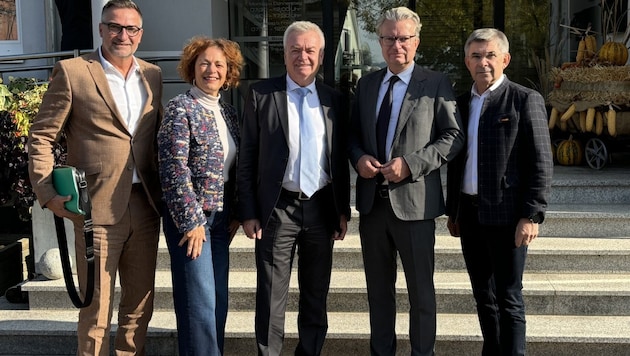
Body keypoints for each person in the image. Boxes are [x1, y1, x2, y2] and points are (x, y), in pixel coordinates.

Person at [27, 1, 163, 355]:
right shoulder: (73, 71)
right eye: (115, 27)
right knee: (96, 309)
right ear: (101, 29)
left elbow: (157, 136)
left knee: (139, 306)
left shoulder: (153, 75)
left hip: (145, 207)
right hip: (95, 210)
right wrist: (47, 192)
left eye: (131, 29)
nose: (123, 35)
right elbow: (42, 136)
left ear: (141, 35)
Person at [347, 7, 464, 356]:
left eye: (404, 38)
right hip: (372, 206)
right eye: (389, 38)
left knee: (421, 296)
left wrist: (412, 165)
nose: (396, 44)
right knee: (378, 294)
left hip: (415, 204)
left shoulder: (437, 82)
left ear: (416, 41)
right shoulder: (366, 84)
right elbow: (352, 135)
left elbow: (454, 137)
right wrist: (359, 158)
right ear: (380, 42)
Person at [237, 20, 351, 356]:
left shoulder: (335, 99)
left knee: (316, 293)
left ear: (321, 55)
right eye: (295, 50)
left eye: (310, 50)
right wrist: (248, 211)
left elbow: (339, 158)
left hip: (321, 207)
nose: (303, 56)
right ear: (284, 55)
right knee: (272, 295)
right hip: (277, 209)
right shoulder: (260, 94)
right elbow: (247, 158)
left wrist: (342, 210)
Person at [445, 28, 553, 356]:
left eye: (490, 55)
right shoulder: (459, 104)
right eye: (476, 56)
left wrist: (532, 214)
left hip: (508, 216)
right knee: (483, 295)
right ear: (467, 62)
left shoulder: (524, 99)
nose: (483, 62)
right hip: (469, 215)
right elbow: (455, 161)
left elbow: (542, 161)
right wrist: (453, 211)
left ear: (505, 59)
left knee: (508, 296)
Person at [157, 36, 244, 355]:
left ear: (229, 72)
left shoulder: (229, 113)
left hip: (221, 220)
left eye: (219, 64)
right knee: (199, 302)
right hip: (191, 220)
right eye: (204, 63)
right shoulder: (181, 108)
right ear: (191, 68)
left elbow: (234, 169)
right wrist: (191, 222)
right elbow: (172, 167)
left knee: (217, 300)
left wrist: (235, 212)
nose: (212, 69)